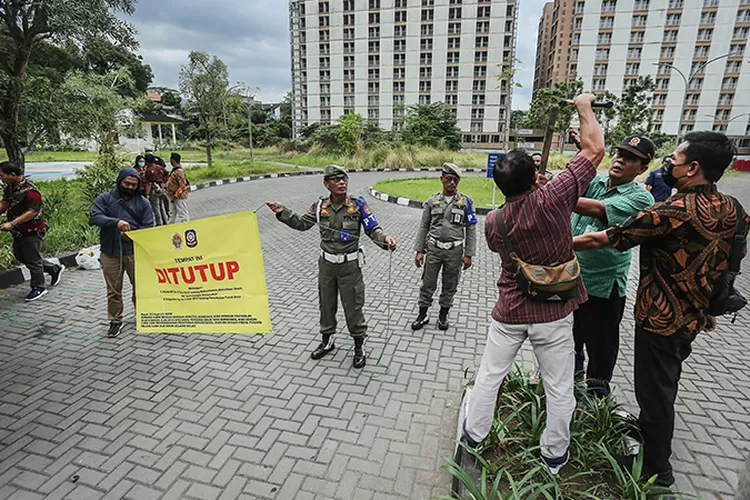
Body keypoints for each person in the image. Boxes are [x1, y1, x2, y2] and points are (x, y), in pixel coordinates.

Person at [573, 131, 750, 488]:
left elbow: (603, 238)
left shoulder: (669, 211)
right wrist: (713, 299)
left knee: (655, 393)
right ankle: (649, 438)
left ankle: (658, 471)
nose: (669, 164)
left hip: (660, 317)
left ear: (693, 168)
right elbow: (734, 256)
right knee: (664, 383)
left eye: (675, 160)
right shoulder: (732, 207)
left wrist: (547, 243)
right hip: (695, 317)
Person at [463, 95, 606, 474]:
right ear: (536, 176)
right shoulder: (555, 197)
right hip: (554, 311)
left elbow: (507, 251)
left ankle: (473, 437)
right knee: (558, 386)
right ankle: (554, 456)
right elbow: (595, 149)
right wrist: (585, 106)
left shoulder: (493, 221)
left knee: (489, 376)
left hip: (510, 309)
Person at [266, 165, 397, 369]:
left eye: (344, 178)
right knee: (326, 306)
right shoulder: (319, 207)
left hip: (350, 267)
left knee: (353, 307)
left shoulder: (358, 204)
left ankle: (358, 346)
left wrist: (385, 240)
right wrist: (283, 212)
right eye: (336, 179)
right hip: (327, 265)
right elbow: (302, 224)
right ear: (327, 184)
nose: (342, 182)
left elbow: (373, 229)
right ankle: (327, 341)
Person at [571, 134, 655, 396]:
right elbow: (574, 183)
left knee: (601, 345)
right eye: (620, 154)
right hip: (571, 278)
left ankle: (597, 395)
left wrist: (550, 195)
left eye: (631, 159)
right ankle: (569, 384)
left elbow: (597, 209)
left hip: (603, 285)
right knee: (568, 340)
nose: (620, 160)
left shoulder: (641, 199)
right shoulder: (597, 181)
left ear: (642, 169)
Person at [411, 162, 477, 331]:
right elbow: (423, 227)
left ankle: (443, 314)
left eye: (455, 180)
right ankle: (423, 313)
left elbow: (470, 228)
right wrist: (420, 251)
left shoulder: (466, 202)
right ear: (441, 179)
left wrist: (469, 253)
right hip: (434, 249)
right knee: (427, 283)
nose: (452, 183)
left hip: (455, 251)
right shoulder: (432, 201)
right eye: (448, 179)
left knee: (450, 284)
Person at [91, 168, 154, 338]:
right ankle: (115, 321)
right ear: (120, 182)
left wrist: (131, 235)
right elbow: (95, 217)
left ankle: (143, 315)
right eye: (127, 183)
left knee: (140, 288)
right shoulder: (105, 198)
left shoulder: (143, 203)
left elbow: (148, 227)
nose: (130, 187)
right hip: (110, 253)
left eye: (134, 184)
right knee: (113, 290)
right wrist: (116, 222)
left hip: (135, 253)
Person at [0, 161, 64, 301]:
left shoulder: (30, 191)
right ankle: (53, 269)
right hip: (18, 230)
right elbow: (5, 204)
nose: (1, 178)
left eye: (2, 175)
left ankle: (38, 287)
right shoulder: (10, 188)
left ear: (12, 174)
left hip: (32, 229)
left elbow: (33, 211)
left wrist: (12, 223)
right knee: (20, 256)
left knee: (33, 259)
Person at [143, 154, 169, 226]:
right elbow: (167, 173)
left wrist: (147, 194)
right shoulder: (158, 167)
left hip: (154, 190)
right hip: (161, 188)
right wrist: (164, 181)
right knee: (161, 206)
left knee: (156, 208)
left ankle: (158, 222)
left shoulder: (148, 170)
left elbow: (148, 183)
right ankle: (165, 221)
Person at [166, 153, 190, 223]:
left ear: (172, 160)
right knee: (172, 214)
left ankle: (185, 228)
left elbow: (182, 185)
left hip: (179, 196)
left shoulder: (179, 171)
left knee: (183, 214)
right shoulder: (174, 170)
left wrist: (176, 195)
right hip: (172, 196)